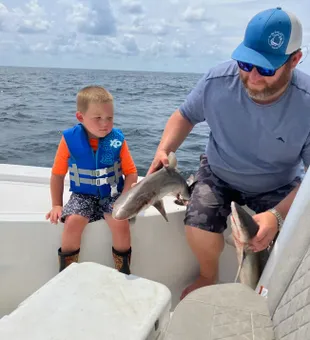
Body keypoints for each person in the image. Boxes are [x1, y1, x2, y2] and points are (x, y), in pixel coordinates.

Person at [147, 7, 310, 299]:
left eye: (267, 69)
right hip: (219, 172)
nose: (253, 76)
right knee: (198, 225)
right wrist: (164, 149)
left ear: (295, 60)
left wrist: (276, 217)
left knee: (298, 238)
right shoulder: (216, 82)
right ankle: (208, 276)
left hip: (279, 183)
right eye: (246, 63)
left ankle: (267, 291)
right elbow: (184, 115)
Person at [46, 85, 138, 274]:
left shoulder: (117, 141)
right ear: (80, 117)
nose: (105, 123)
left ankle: (123, 271)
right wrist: (56, 204)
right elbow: (57, 174)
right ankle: (67, 272)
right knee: (72, 222)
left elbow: (131, 173)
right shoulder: (69, 140)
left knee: (120, 222)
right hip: (82, 195)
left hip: (113, 193)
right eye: (98, 118)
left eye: (110, 118)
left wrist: (124, 199)